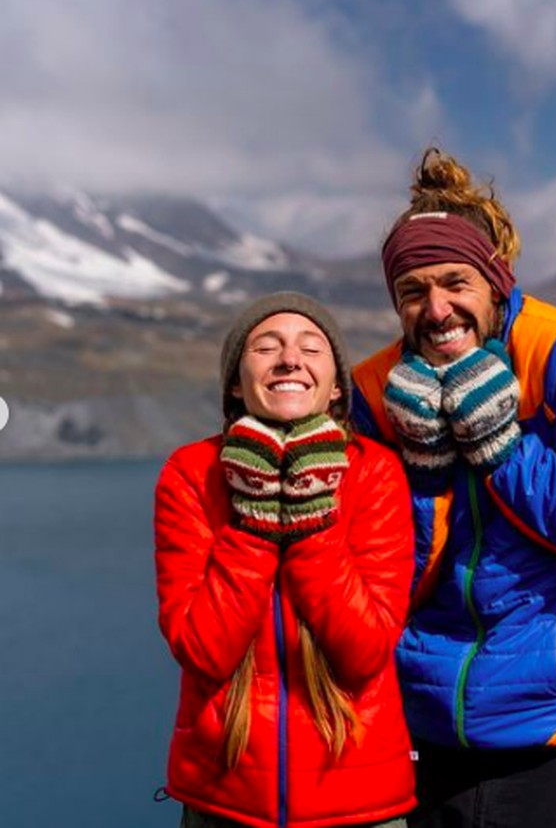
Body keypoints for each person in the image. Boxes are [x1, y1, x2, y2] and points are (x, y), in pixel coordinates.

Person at [352, 148, 556, 828]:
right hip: (425, 735)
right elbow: (381, 575)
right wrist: (425, 473)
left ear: (496, 282)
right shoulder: (376, 390)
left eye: (455, 282)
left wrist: (501, 451)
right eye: (412, 291)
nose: (436, 308)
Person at [154, 292, 416, 828]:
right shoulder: (190, 474)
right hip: (224, 802)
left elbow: (364, 651)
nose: (290, 359)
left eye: (311, 347)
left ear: (337, 384)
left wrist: (310, 517)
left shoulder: (374, 473)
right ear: (235, 381)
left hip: (359, 805)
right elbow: (204, 650)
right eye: (266, 346)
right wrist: (252, 518)